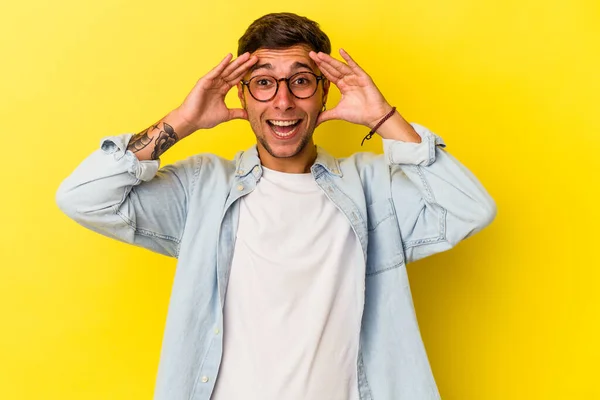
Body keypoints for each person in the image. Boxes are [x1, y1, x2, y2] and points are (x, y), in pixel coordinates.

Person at [56, 12, 496, 400]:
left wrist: (385, 120)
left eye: (301, 81)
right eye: (263, 83)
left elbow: (469, 209)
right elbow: (83, 198)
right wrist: (181, 122)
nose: (282, 102)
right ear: (241, 96)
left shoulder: (373, 187)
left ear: (325, 92)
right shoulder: (203, 189)